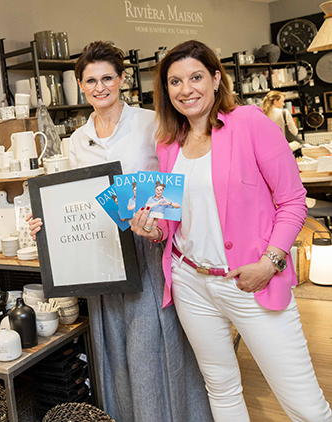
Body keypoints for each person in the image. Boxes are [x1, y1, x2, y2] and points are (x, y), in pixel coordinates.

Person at [132, 39, 331, 422]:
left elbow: (292, 201)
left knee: (304, 404)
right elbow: (174, 218)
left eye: (195, 77)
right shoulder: (168, 142)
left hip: (250, 280)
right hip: (190, 281)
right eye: (175, 82)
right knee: (221, 388)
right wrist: (153, 231)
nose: (186, 89)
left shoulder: (250, 123)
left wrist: (270, 263)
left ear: (215, 78)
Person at [29, 41, 211, 422]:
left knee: (152, 346)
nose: (100, 87)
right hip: (102, 254)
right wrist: (46, 222)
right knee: (114, 351)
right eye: (91, 81)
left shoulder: (151, 122)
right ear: (81, 85)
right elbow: (74, 199)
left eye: (107, 78)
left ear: (122, 79)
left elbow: (174, 180)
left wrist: (153, 221)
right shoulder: (76, 141)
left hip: (147, 249)